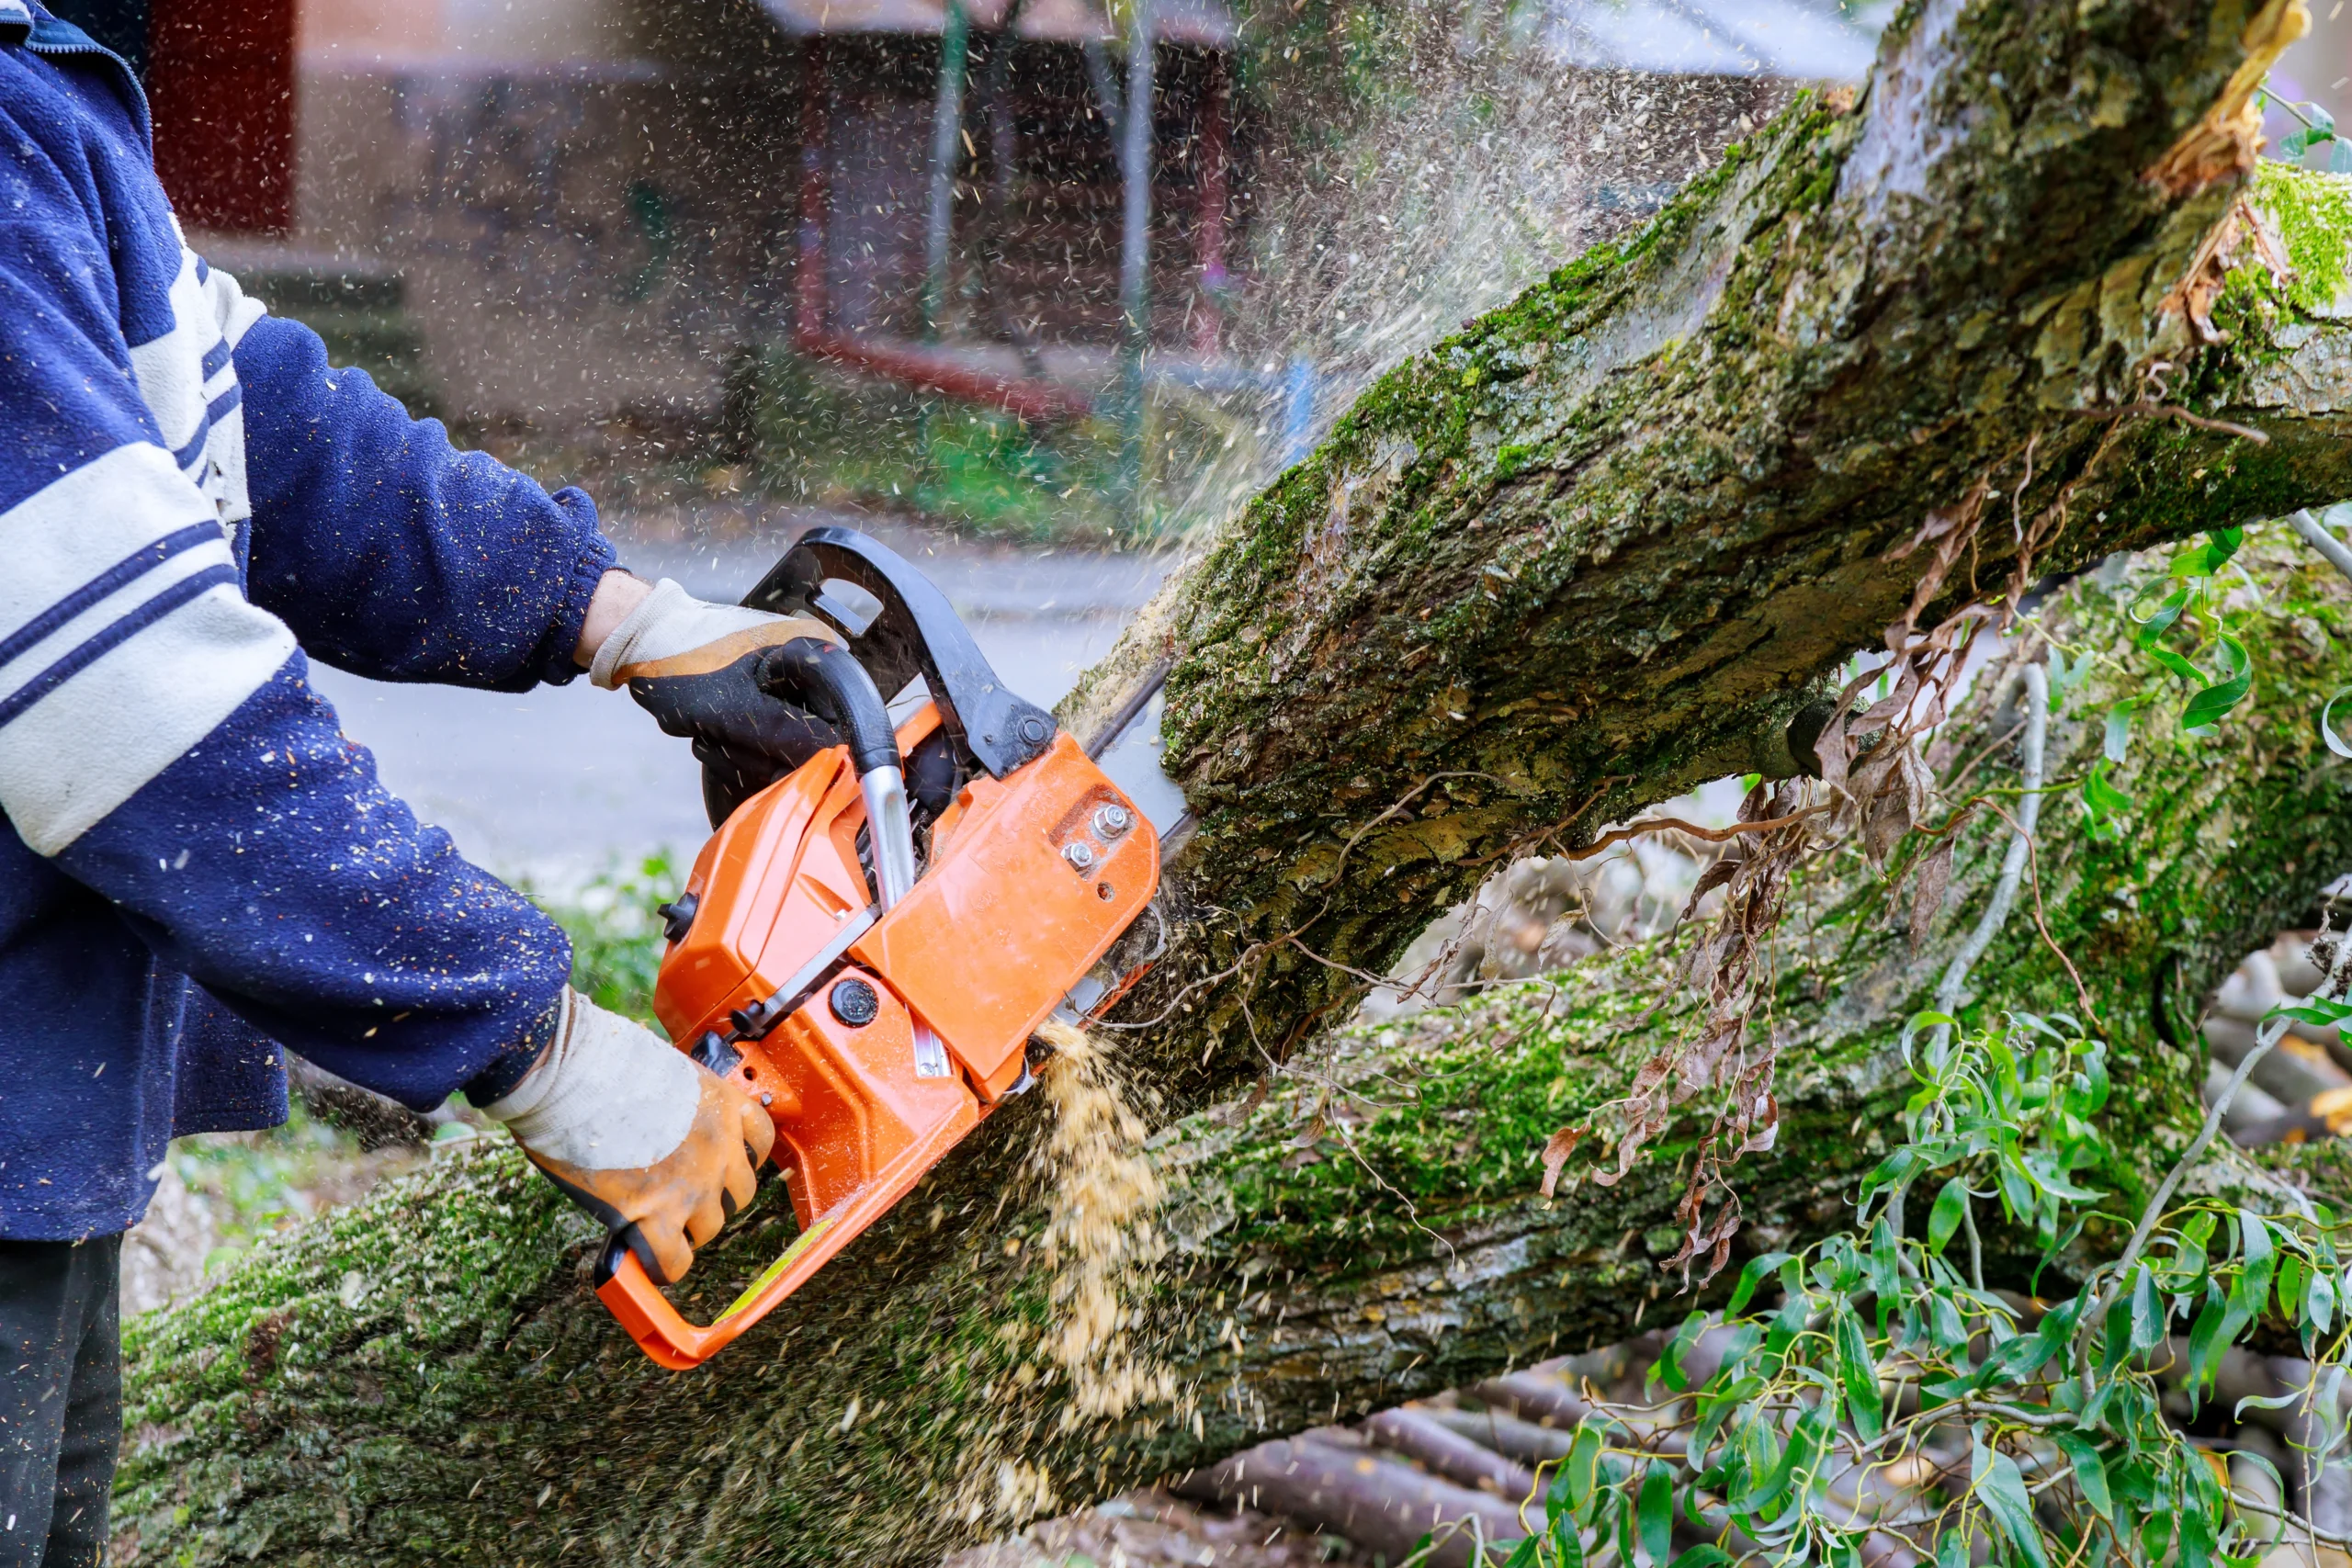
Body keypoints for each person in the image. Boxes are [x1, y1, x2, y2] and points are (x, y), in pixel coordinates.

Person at [0, 6, 839, 1562]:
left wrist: (614, 612)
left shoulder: (46, 89)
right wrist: (547, 1049)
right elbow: (129, 705)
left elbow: (247, 417)